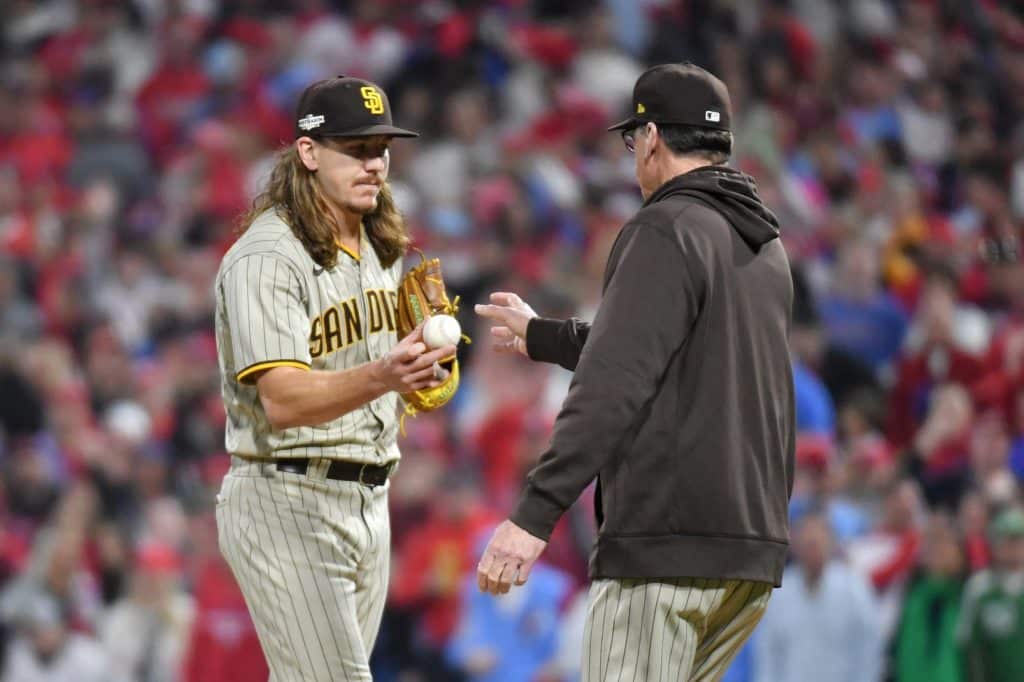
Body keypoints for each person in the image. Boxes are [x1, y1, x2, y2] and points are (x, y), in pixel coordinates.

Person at [474, 62, 795, 681]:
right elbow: (668, 353)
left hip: (666, 544)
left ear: (650, 138)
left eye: (632, 139)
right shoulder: (762, 243)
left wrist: (534, 515)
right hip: (748, 552)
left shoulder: (665, 226)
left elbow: (612, 383)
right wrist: (544, 336)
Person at [212, 75, 456, 681]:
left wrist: (425, 370)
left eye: (381, 149)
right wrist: (384, 374)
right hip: (287, 497)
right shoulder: (268, 257)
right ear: (309, 152)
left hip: (369, 500)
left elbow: (394, 382)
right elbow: (284, 401)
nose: (374, 164)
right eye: (355, 149)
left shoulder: (380, 243)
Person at [753, 513, 882, 682]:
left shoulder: (854, 589)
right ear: (796, 547)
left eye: (817, 543)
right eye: (808, 544)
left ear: (831, 543)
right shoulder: (780, 593)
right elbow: (768, 654)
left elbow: (869, 649)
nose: (813, 551)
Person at [958, 506, 1024, 682]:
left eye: (1019, 540)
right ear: (994, 545)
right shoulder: (979, 587)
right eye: (1008, 541)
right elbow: (968, 644)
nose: (1014, 547)